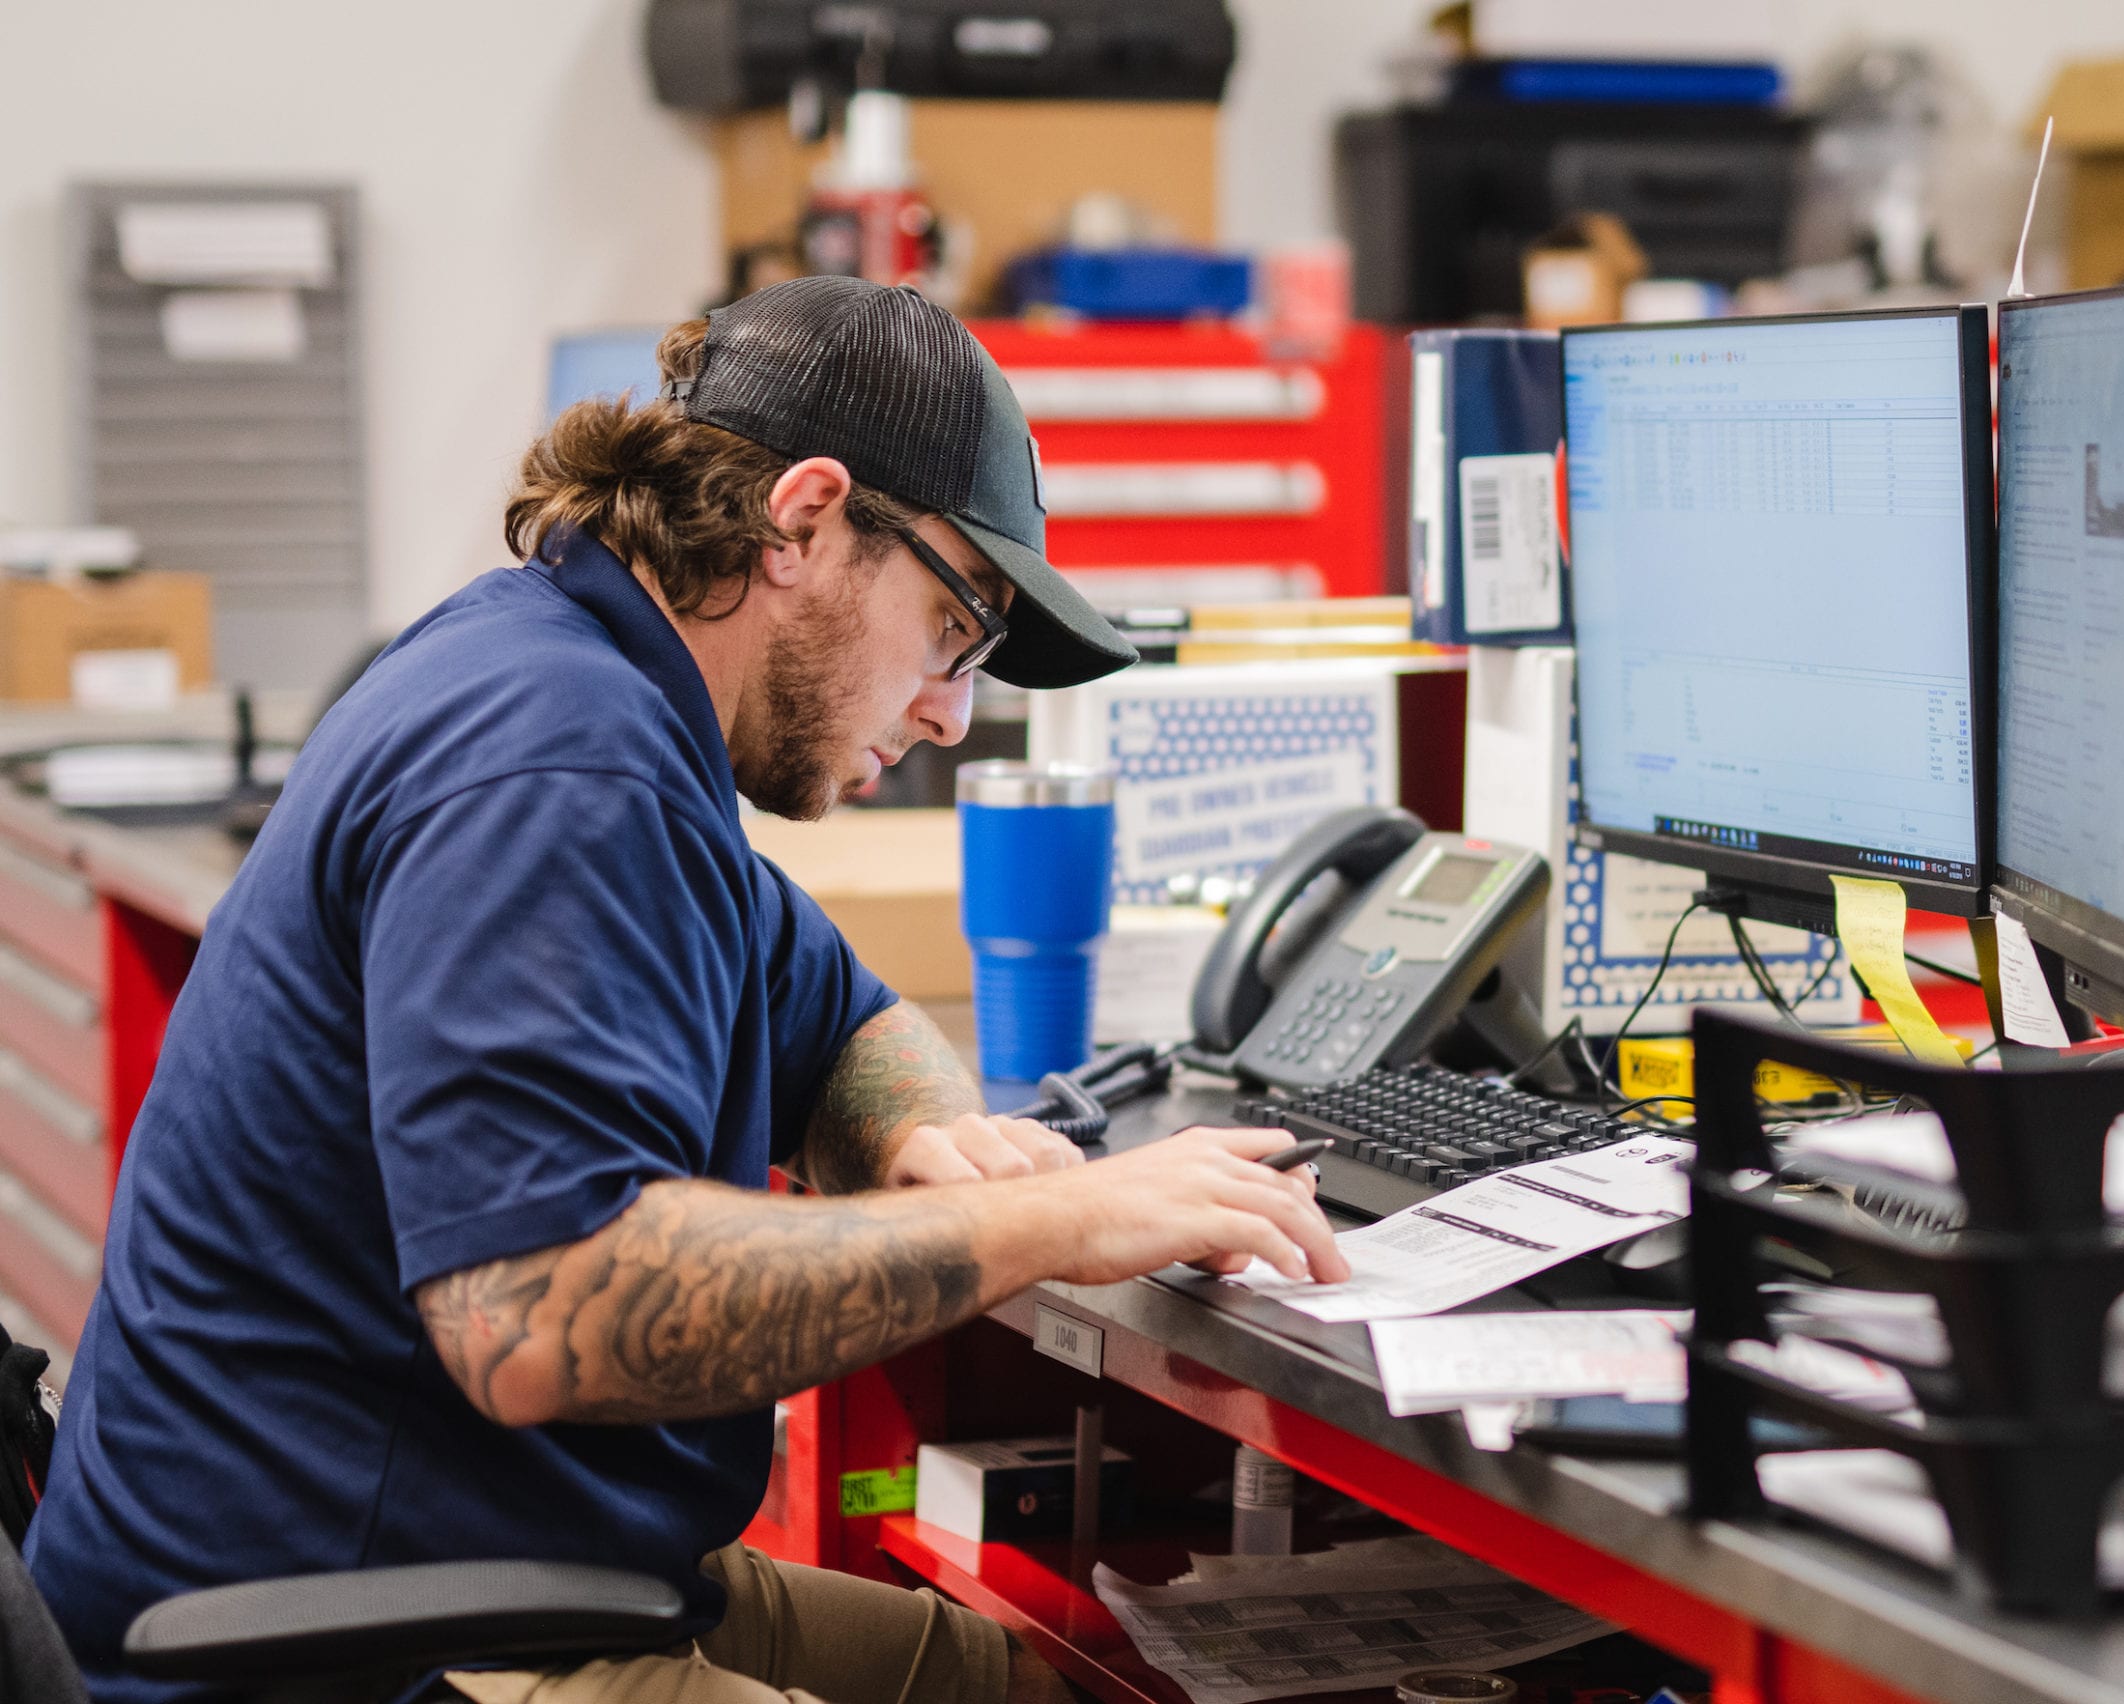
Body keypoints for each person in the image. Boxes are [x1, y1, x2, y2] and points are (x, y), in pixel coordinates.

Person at [27, 277, 1348, 1704]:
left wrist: (925, 1140)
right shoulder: (556, 765)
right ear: (805, 516)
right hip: (348, 1641)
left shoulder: (605, 699)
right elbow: (538, 1319)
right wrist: (1046, 1218)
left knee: (1054, 1684)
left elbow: (840, 1020)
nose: (953, 709)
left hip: (491, 1566)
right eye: (955, 626)